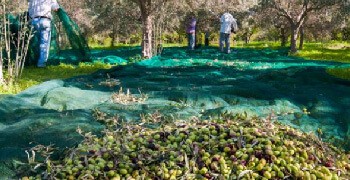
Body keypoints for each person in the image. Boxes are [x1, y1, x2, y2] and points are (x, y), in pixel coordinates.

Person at [28, 0, 60, 67]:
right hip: (45, 21)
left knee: (34, 42)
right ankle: (41, 64)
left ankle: (32, 61)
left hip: (33, 21)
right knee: (44, 44)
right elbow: (56, 8)